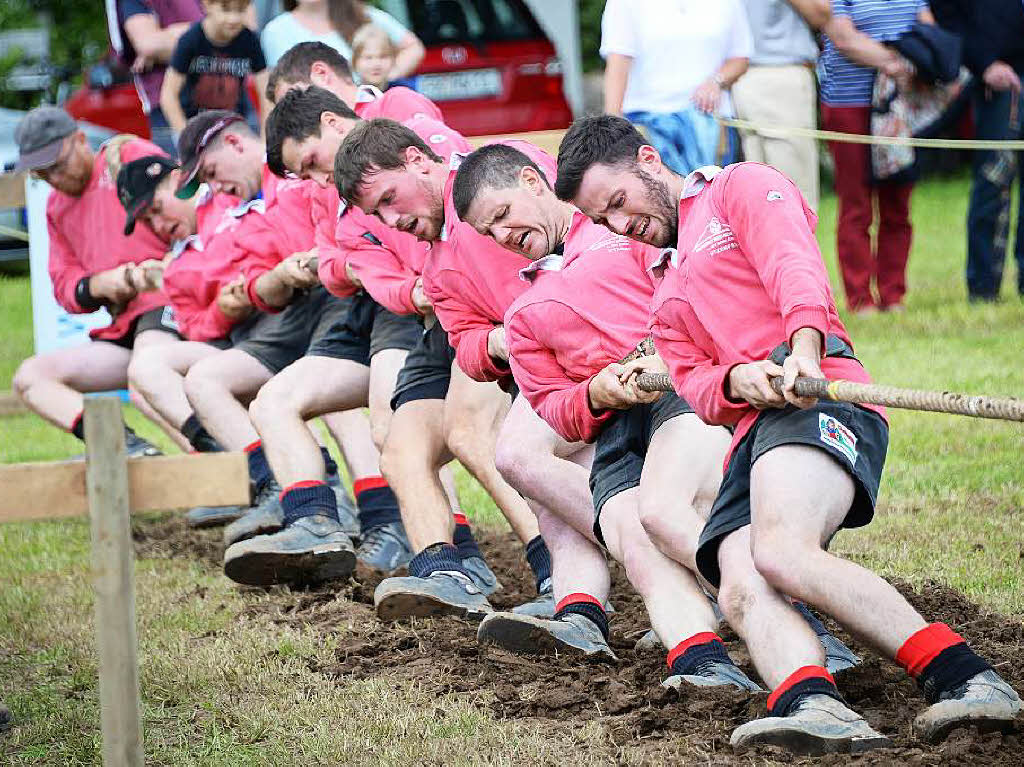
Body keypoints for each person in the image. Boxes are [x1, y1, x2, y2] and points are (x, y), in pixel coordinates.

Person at [555, 114, 1022, 755]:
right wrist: (735, 380)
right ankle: (815, 704)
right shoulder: (660, 278)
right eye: (601, 220)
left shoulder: (737, 188)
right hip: (754, 429)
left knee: (779, 550)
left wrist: (801, 351)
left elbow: (794, 266)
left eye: (617, 202)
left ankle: (967, 679)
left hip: (820, 395)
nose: (618, 224)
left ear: (647, 161)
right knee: (739, 577)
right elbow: (691, 378)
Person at [11, 107, 182, 458]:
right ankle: (122, 446)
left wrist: (145, 272)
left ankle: (216, 469)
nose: (53, 179)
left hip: (171, 301)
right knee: (30, 377)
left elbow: (188, 214)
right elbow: (64, 285)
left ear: (79, 140)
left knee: (144, 376)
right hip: (123, 327)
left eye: (57, 166)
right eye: (42, 173)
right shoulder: (57, 207)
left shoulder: (127, 156)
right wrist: (100, 285)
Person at [821, 0, 934, 313]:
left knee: (898, 200)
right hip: (849, 105)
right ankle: (860, 299)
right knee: (856, 203)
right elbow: (844, 39)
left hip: (899, 106)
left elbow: (928, 30)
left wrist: (910, 60)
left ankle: (893, 294)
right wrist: (897, 60)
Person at [931, 0, 1024, 302]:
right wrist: (984, 62)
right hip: (999, 79)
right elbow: (945, 14)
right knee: (994, 181)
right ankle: (984, 287)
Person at [600, 0, 752, 175]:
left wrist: (717, 81)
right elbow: (618, 63)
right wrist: (611, 129)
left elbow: (740, 58)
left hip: (712, 124)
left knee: (714, 196)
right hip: (647, 125)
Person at [732, 1, 829, 208]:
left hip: (743, 76)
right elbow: (821, 13)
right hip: (780, 75)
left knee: (762, 194)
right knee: (794, 192)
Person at [160, 0, 270, 137]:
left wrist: (265, 140)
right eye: (225, 10)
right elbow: (168, 95)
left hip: (235, 126)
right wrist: (185, 136)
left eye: (240, 11)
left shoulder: (250, 41)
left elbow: (266, 93)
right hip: (194, 126)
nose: (233, 19)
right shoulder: (190, 41)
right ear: (207, 5)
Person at [111, 0, 204, 155]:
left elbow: (244, 28)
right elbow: (149, 44)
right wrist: (210, 34)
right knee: (182, 174)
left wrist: (171, 39)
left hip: (227, 99)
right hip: (171, 111)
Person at [265, 41, 438, 121]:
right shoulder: (322, 142)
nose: (293, 112)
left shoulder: (397, 104)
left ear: (321, 74)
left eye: (294, 98)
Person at [260, 0, 423, 73]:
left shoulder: (364, 16)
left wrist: (387, 73)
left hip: (371, 122)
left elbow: (413, 47)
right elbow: (279, 91)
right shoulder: (276, 31)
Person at [350, 24, 395, 91]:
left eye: (383, 57)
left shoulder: (403, 92)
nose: (376, 64)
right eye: (368, 58)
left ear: (393, 59)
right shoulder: (349, 97)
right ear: (355, 62)